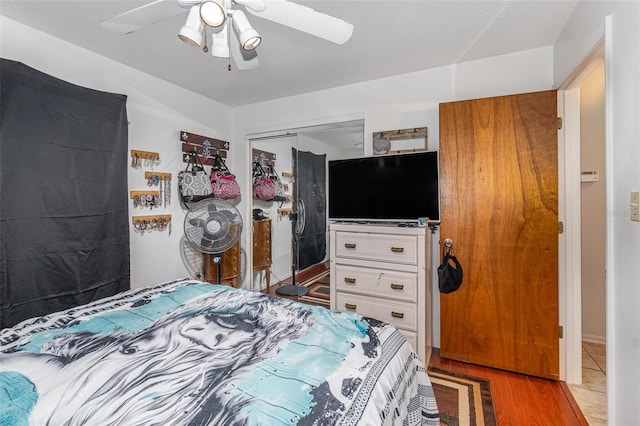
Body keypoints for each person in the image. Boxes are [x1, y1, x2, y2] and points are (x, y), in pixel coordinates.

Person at [0, 287, 315, 425]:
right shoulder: (69, 359)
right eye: (218, 327)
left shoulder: (211, 405)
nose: (217, 333)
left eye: (221, 337)